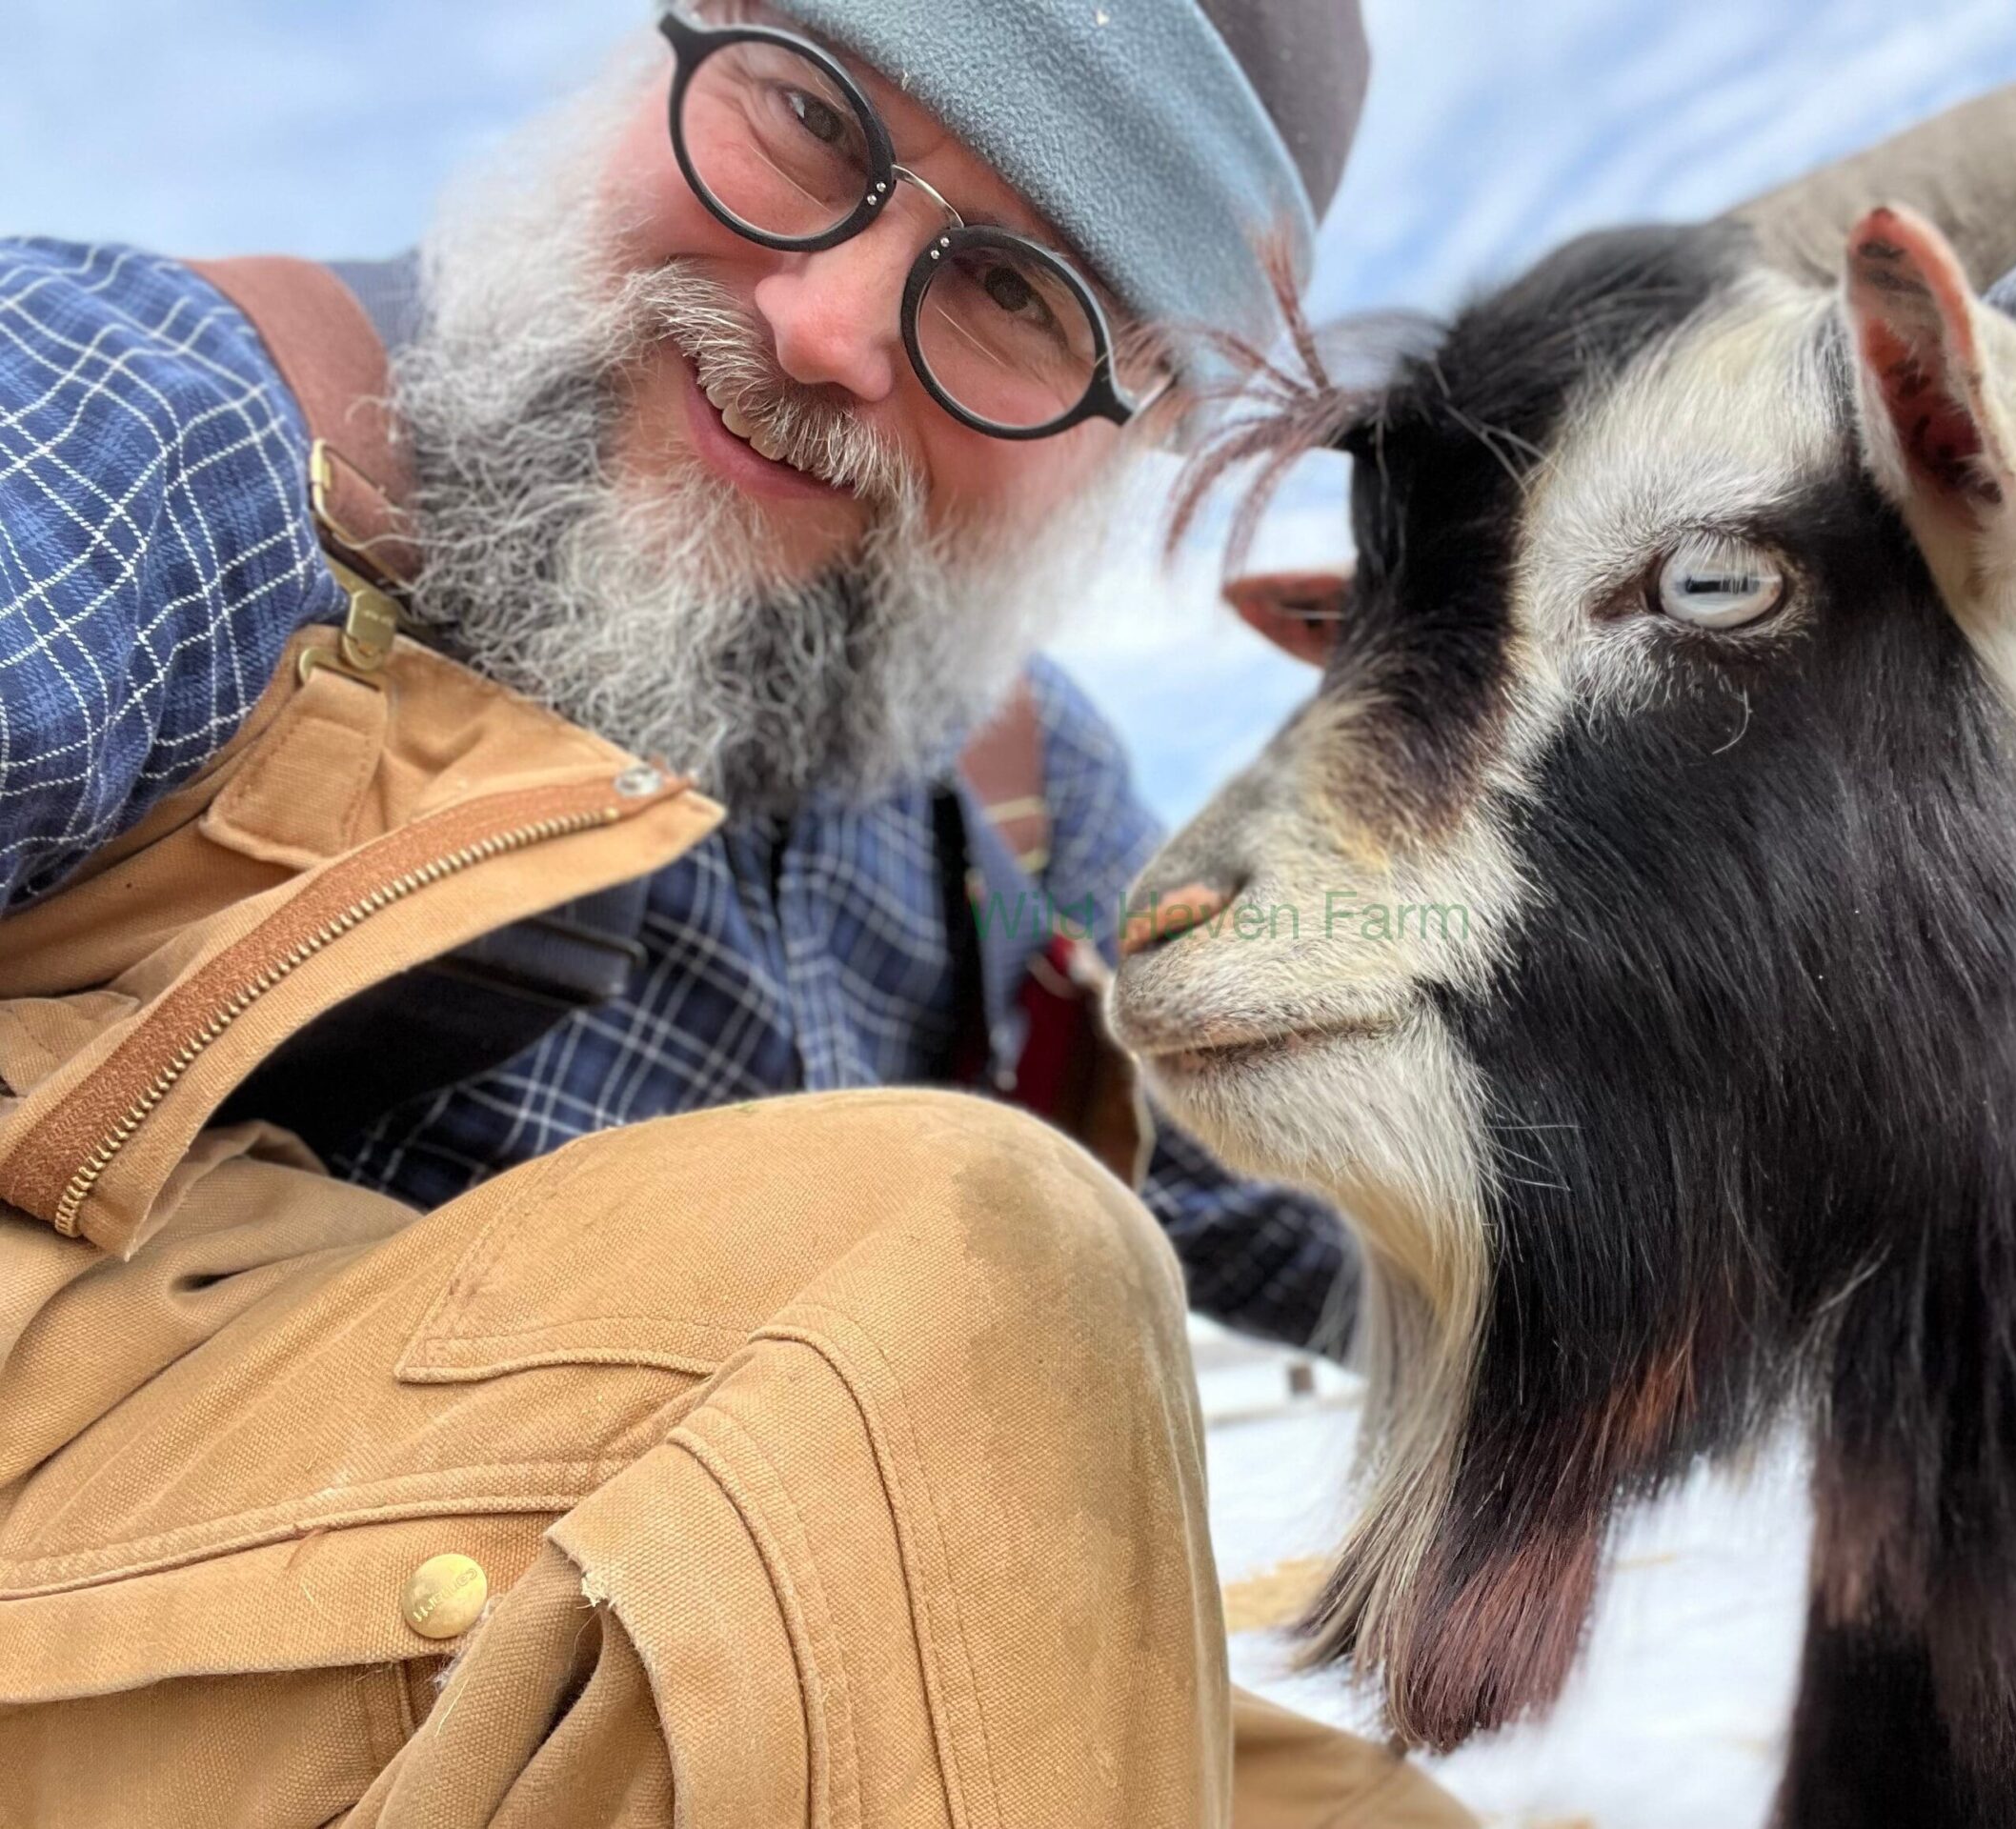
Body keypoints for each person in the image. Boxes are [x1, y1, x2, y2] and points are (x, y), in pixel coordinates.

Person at [0, 3, 1471, 1822]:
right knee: (958, 1264)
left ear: (1142, 428)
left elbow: (1369, 1205)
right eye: (810, 117)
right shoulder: (153, 424)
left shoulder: (1026, 802)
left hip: (700, 1623)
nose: (829, 325)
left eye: (1022, 298)